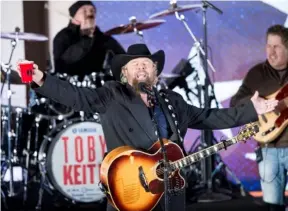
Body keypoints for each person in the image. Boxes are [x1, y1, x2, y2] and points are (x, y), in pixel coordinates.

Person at [17, 43, 278, 211]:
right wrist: (41, 80)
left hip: (170, 194)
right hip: (130, 191)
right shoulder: (112, 94)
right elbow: (76, 95)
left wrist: (252, 109)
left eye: (147, 63)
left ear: (155, 72)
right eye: (135, 64)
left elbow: (211, 116)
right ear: (124, 74)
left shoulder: (173, 101)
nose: (141, 66)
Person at [230, 24, 288, 211]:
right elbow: (235, 102)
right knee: (272, 206)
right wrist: (256, 103)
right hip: (268, 148)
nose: (270, 52)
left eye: (276, 47)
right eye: (268, 46)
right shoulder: (256, 74)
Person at [53, 1, 125, 81]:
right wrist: (87, 38)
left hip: (98, 87)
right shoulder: (63, 36)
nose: (89, 14)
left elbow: (122, 57)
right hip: (70, 86)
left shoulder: (102, 37)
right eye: (84, 11)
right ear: (73, 18)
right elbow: (64, 62)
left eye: (92, 11)